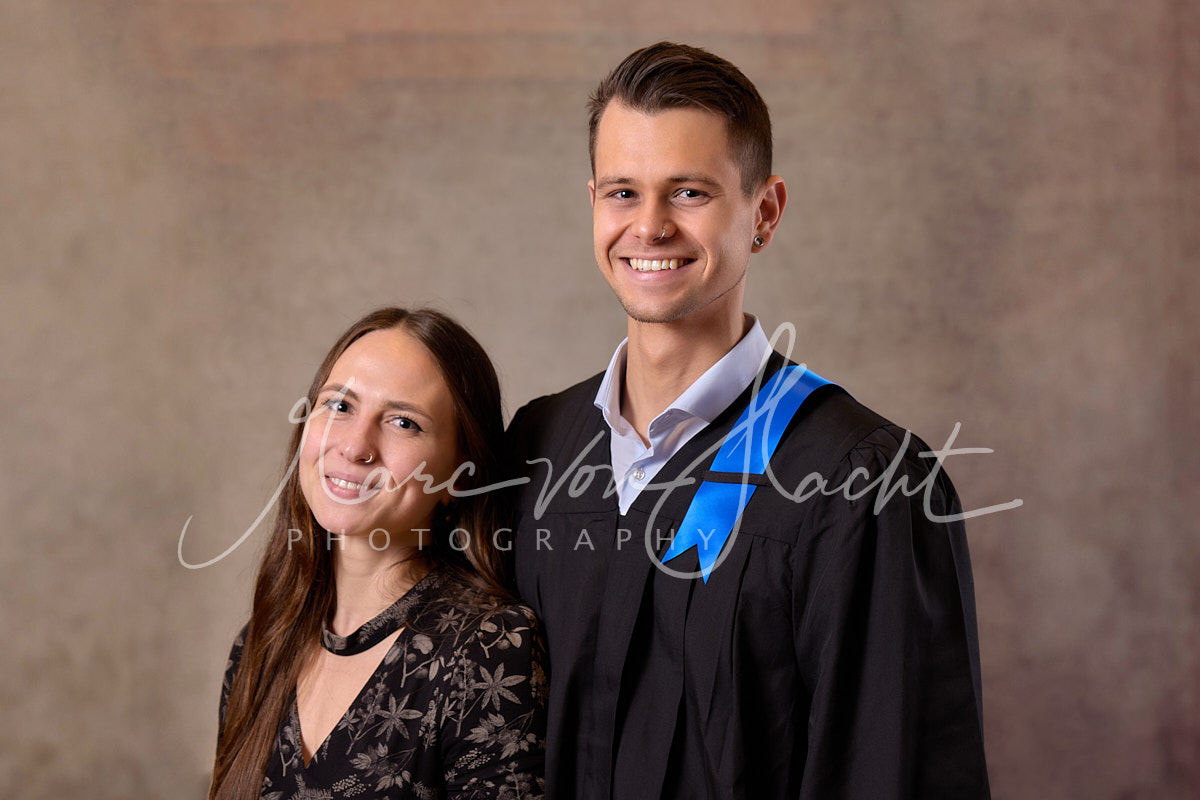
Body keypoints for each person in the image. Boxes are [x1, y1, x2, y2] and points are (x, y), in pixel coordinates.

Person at [506, 42, 990, 799]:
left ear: (764, 212)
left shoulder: (863, 482)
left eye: (689, 193)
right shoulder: (538, 445)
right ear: (593, 202)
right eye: (623, 192)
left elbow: (887, 772)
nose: (650, 227)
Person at [209, 307, 547, 800]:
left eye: (404, 422)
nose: (355, 446)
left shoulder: (488, 648)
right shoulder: (260, 644)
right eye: (339, 405)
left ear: (461, 475)